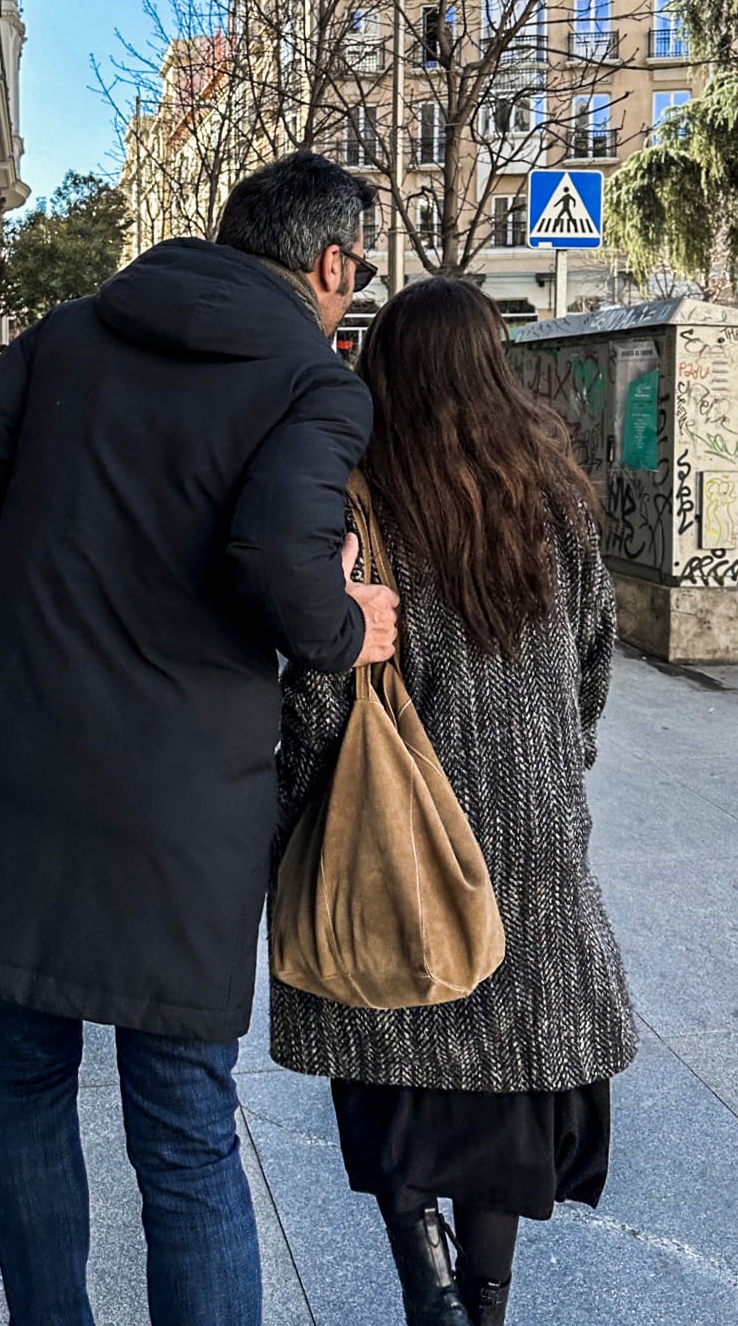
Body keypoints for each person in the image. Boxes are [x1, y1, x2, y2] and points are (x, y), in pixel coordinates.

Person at [0, 151, 399, 1326]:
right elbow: (280, 560)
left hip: (12, 759)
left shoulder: (71, 332)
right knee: (182, 1128)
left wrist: (61, 548)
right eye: (358, 271)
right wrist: (346, 626)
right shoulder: (313, 383)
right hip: (176, 797)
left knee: (21, 1082)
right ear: (329, 264)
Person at [270, 279, 637, 1326]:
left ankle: (419, 1271)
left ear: (381, 366)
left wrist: (290, 814)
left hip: (393, 836)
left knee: (389, 1066)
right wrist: (559, 774)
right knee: (505, 1095)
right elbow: (592, 663)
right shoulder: (554, 494)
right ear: (493, 366)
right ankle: (481, 1302)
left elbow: (322, 690)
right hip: (529, 836)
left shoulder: (355, 498)